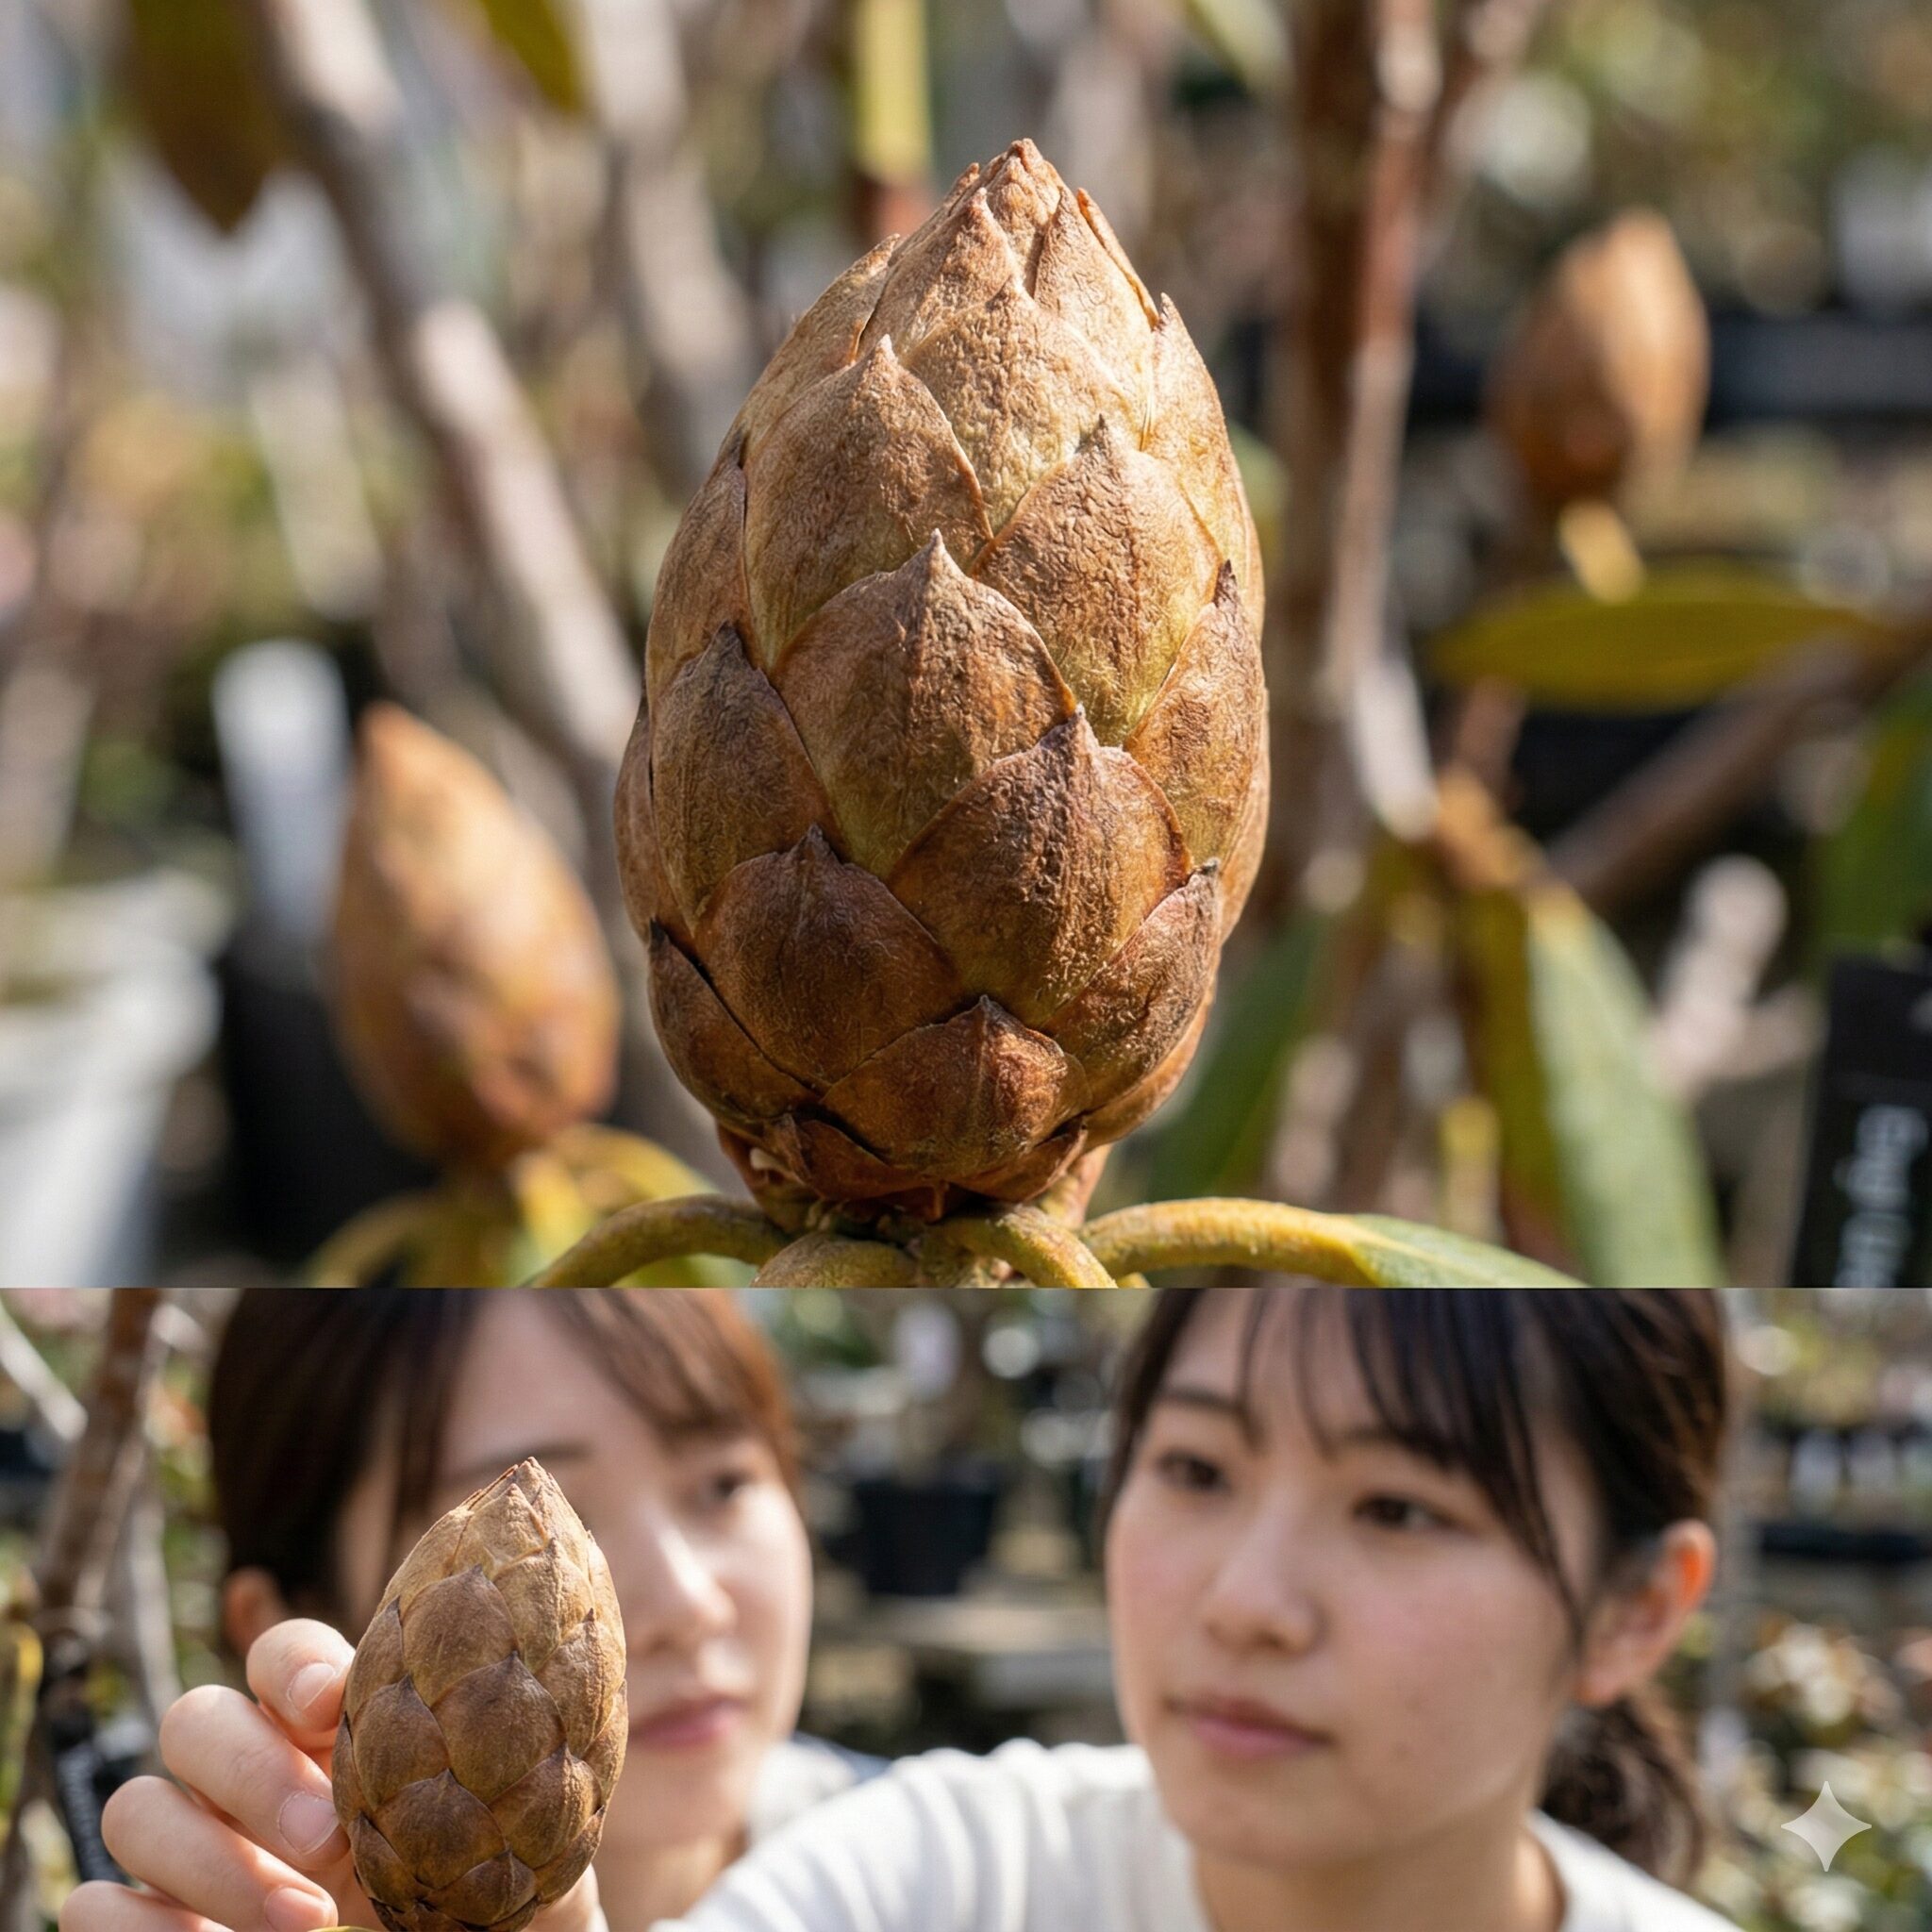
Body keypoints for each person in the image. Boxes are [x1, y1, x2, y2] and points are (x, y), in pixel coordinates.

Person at [71, 1286, 1740, 1932]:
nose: (1247, 1603)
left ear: (1632, 1609)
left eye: (1398, 1508)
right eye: (1196, 1468)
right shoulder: (949, 1869)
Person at [61, 1289, 868, 1932]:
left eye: (724, 1484)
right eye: (532, 1534)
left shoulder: (924, 1855)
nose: (688, 1604)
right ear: (282, 1614)